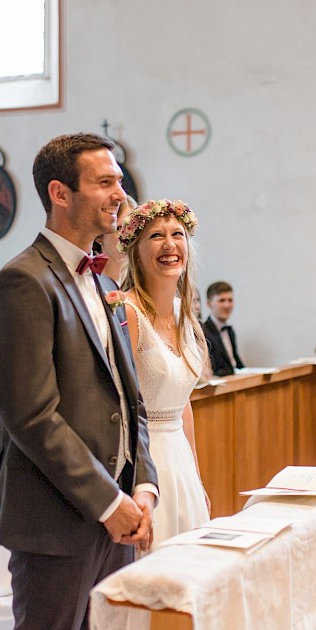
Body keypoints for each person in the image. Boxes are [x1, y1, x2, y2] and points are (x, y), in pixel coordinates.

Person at [0, 132, 157, 630]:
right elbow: (31, 415)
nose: (120, 196)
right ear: (60, 193)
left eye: (120, 183)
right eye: (105, 183)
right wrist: (109, 502)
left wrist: (143, 483)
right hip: (57, 518)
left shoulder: (104, 285)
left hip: (118, 509)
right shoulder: (22, 281)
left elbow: (132, 400)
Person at [118, 199, 211, 549]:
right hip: (144, 460)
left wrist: (197, 479)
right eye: (156, 236)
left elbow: (183, 407)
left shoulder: (183, 314)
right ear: (136, 252)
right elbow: (119, 404)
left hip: (180, 462)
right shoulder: (127, 313)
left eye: (178, 234)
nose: (170, 245)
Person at [202, 280, 245, 376]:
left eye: (230, 300)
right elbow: (214, 369)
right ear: (209, 304)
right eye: (222, 300)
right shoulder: (203, 332)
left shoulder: (230, 331)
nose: (227, 305)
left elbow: (236, 363)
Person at [93, 194, 135, 286]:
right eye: (119, 228)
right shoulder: (89, 276)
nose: (128, 236)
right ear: (99, 236)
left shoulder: (144, 279)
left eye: (132, 228)